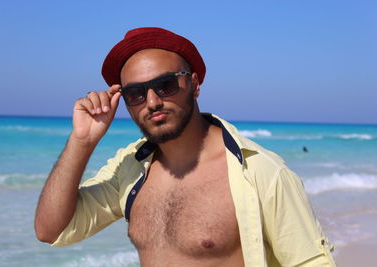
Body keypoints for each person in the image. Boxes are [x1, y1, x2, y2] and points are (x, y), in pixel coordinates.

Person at [34, 27, 336, 266]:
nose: (152, 102)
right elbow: (51, 230)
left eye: (165, 85)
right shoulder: (131, 168)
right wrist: (82, 141)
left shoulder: (259, 173)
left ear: (194, 84)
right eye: (135, 93)